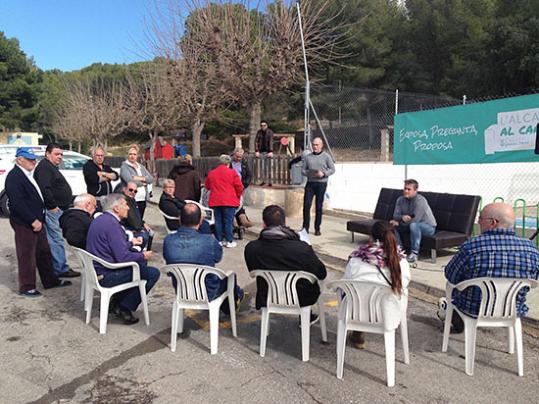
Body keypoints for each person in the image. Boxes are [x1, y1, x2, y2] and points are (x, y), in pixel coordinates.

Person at [442, 203, 539, 333]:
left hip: (473, 309)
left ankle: (452, 316)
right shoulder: (531, 249)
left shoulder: (472, 246)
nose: (478, 222)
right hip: (513, 310)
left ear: (493, 222)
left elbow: (450, 275)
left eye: (480, 218)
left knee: (453, 293)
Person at [5, 147, 72, 297]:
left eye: (34, 159)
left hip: (37, 220)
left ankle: (50, 280)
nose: (33, 162)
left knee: (44, 252)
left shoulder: (27, 174)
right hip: (25, 222)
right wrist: (32, 220)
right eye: (29, 159)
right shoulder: (14, 176)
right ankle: (27, 287)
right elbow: (17, 203)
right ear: (19, 159)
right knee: (27, 255)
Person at [86, 194, 160, 325]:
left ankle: (117, 302)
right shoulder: (112, 225)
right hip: (107, 275)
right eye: (125, 205)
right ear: (116, 208)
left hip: (98, 270)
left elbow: (113, 246)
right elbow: (123, 257)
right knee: (152, 273)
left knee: (141, 267)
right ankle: (123, 307)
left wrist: (131, 243)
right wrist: (143, 255)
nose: (128, 208)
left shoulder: (101, 220)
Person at [244, 205, 327, 320]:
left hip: (267, 295)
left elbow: (252, 270)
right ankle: (305, 318)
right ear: (284, 222)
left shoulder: (252, 248)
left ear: (264, 224)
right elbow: (321, 273)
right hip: (301, 298)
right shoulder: (302, 248)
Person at [342, 221, 411, 349]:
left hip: (357, 313)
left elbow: (345, 284)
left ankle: (357, 333)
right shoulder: (401, 262)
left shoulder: (356, 260)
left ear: (371, 238)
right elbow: (404, 285)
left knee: (347, 292)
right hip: (389, 314)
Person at [163, 203, 244, 312]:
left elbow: (169, 269)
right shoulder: (209, 241)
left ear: (179, 219)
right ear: (200, 221)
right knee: (231, 279)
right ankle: (231, 306)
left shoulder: (168, 240)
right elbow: (218, 258)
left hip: (182, 289)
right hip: (208, 292)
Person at [34, 142, 80, 278]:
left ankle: (58, 267)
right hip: (53, 210)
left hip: (59, 208)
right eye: (56, 154)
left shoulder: (50, 167)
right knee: (56, 239)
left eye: (61, 154)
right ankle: (61, 269)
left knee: (55, 239)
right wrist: (53, 206)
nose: (60, 157)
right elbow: (45, 189)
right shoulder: (44, 168)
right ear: (47, 154)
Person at [389, 179, 436, 264]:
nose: (406, 191)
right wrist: (402, 217)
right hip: (409, 224)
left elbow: (415, 220)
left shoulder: (420, 201)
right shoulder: (400, 200)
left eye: (409, 189)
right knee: (392, 225)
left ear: (415, 190)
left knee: (414, 225)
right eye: (405, 188)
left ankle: (414, 254)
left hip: (428, 227)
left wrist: (399, 222)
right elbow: (395, 215)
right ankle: (399, 250)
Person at [205, 154, 243, 248]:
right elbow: (239, 187)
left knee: (218, 220)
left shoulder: (212, 173)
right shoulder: (233, 173)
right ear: (228, 163)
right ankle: (229, 240)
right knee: (228, 221)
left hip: (216, 200)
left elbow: (207, 186)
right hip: (229, 200)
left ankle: (219, 240)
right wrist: (237, 197)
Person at [301, 137, 335, 236]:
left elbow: (332, 169)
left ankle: (317, 228)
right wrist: (309, 173)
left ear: (321, 145)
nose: (315, 147)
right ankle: (305, 228)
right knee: (306, 205)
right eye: (313, 145)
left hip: (321, 183)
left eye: (317, 145)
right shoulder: (308, 157)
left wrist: (323, 174)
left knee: (318, 206)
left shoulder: (326, 157)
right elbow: (303, 170)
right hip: (310, 183)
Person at [120, 144, 154, 220]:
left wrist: (138, 178)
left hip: (142, 199)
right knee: (132, 221)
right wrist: (144, 182)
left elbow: (151, 179)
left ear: (137, 155)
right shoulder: (124, 167)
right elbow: (130, 181)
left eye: (134, 154)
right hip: (132, 199)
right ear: (127, 155)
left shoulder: (141, 167)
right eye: (130, 154)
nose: (132, 156)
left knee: (140, 220)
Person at [120, 182, 153, 247]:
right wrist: (140, 229)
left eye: (135, 191)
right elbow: (132, 218)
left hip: (133, 228)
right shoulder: (123, 201)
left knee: (150, 232)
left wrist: (143, 223)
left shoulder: (132, 200)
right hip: (126, 230)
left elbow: (137, 215)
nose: (133, 192)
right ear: (124, 189)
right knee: (146, 236)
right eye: (130, 190)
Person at [230, 147, 253, 228]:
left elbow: (249, 175)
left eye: (240, 157)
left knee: (239, 203)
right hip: (229, 186)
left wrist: (244, 185)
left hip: (240, 186)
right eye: (237, 156)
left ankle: (242, 219)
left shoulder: (244, 163)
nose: (239, 158)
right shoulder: (229, 163)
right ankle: (235, 220)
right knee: (230, 203)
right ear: (233, 155)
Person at [255, 120, 274, 186]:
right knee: (262, 168)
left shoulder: (270, 132)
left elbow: (271, 141)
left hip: (268, 152)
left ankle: (270, 181)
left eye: (264, 125)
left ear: (267, 125)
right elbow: (256, 141)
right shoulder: (259, 132)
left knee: (269, 167)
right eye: (261, 125)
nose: (263, 127)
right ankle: (263, 181)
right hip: (261, 152)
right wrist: (257, 151)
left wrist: (271, 151)